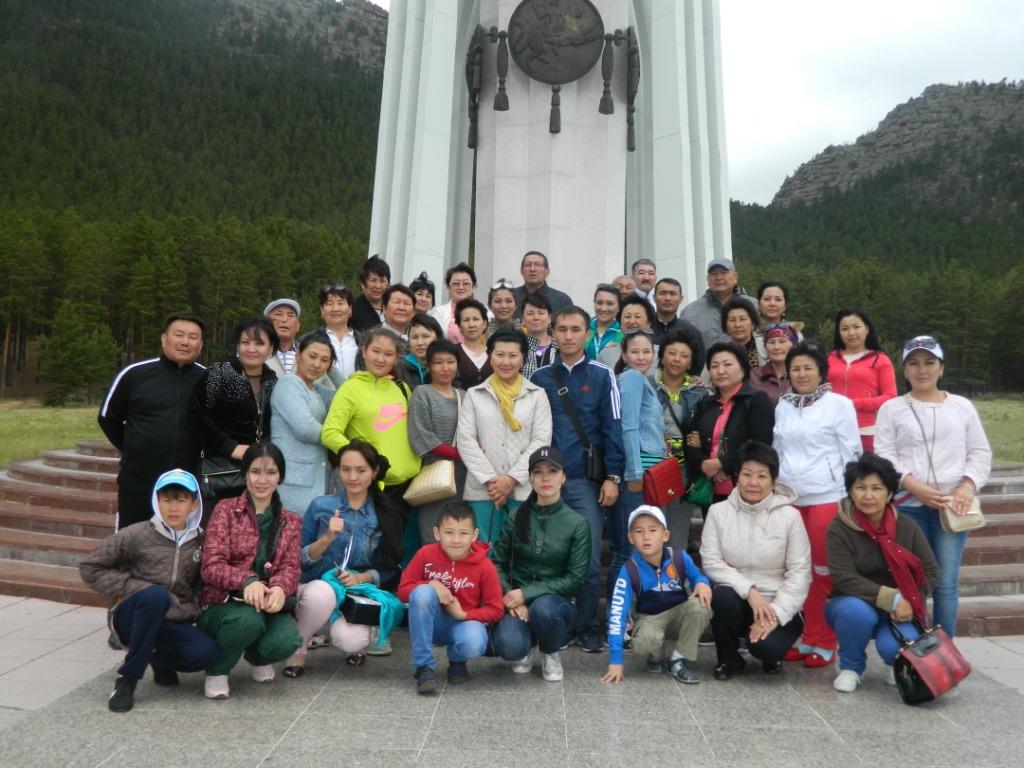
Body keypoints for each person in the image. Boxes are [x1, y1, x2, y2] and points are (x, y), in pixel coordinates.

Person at [874, 335, 992, 636]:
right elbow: (884, 454)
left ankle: (944, 650)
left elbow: (979, 451)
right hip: (908, 506)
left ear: (941, 368)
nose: (921, 370)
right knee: (911, 580)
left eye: (929, 362)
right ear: (904, 370)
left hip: (953, 506)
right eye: (913, 363)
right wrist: (913, 485)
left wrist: (967, 486)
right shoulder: (892, 408)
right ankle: (912, 648)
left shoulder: (962, 406)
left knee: (946, 583)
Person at [79, 469, 220, 712]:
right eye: (167, 500)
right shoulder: (136, 534)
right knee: (155, 595)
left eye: (181, 500)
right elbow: (90, 568)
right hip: (130, 617)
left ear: (194, 503)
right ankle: (127, 679)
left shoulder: (201, 541)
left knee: (206, 653)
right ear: (157, 500)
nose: (173, 508)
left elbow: (201, 585)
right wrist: (139, 588)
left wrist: (188, 609)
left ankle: (156, 658)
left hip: (170, 619)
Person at [531, 306, 624, 652]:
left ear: (587, 334)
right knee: (545, 557)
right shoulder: (540, 377)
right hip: (546, 481)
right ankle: (553, 622)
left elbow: (613, 427)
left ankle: (586, 625)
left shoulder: (602, 375)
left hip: (586, 480)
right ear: (553, 333)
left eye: (575, 329)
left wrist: (612, 476)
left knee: (587, 558)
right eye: (562, 329)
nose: (568, 336)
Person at [284, 440, 405, 675]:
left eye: (361, 470)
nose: (352, 477)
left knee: (352, 640)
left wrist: (360, 578)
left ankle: (354, 642)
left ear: (374, 472)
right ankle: (299, 648)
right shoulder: (321, 505)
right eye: (346, 469)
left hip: (354, 592)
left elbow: (389, 568)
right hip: (315, 586)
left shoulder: (385, 514)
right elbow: (297, 557)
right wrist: (327, 538)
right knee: (321, 592)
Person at [773, 341, 861, 668]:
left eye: (808, 367)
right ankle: (807, 637)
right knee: (798, 572)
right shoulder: (783, 405)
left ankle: (826, 641)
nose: (801, 374)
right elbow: (778, 448)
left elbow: (852, 451)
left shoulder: (839, 405)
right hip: (791, 498)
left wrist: (851, 496)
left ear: (821, 371)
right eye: (795, 368)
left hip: (827, 496)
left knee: (823, 572)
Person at [826, 453, 939, 692]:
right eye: (860, 488)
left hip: (901, 608)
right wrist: (893, 598)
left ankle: (895, 665)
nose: (868, 495)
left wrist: (909, 601)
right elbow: (844, 577)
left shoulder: (906, 526)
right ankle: (851, 667)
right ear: (850, 492)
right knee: (854, 612)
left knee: (893, 648)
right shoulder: (839, 528)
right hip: (853, 602)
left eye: (876, 488)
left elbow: (930, 571)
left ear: (889, 494)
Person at [198, 443, 303, 699]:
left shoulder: (291, 521)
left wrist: (280, 588)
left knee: (288, 640)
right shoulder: (225, 510)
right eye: (256, 471)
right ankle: (218, 670)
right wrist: (247, 580)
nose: (262, 480)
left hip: (265, 606)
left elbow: (290, 566)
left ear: (280, 477)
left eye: (271, 472)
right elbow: (211, 565)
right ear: (245, 474)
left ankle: (257, 657)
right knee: (247, 621)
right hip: (224, 605)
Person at [700, 441, 811, 680]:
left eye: (762, 476)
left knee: (765, 648)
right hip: (739, 599)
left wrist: (776, 614)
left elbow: (800, 573)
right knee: (722, 595)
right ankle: (728, 659)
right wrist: (750, 591)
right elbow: (711, 561)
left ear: (773, 480)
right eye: (747, 474)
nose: (753, 482)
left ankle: (772, 655)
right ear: (736, 476)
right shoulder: (718, 512)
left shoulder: (790, 517)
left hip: (777, 601)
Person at [99, 312, 206, 530]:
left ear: (201, 344)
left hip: (187, 481)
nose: (185, 342)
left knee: (182, 542)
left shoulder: (209, 380)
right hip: (139, 479)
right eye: (179, 335)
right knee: (132, 539)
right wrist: (133, 448)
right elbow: (108, 418)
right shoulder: (135, 375)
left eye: (193, 337)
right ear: (164, 338)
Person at [491, 447, 591, 681]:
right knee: (510, 646)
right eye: (538, 472)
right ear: (530, 479)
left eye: (553, 471)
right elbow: (496, 562)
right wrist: (509, 595)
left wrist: (526, 593)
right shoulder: (516, 516)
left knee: (543, 610)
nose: (546, 478)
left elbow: (575, 579)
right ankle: (526, 645)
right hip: (516, 597)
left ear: (563, 477)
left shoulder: (577, 523)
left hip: (554, 604)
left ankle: (549, 649)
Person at [321, 327, 421, 534]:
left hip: (408, 486)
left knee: (398, 547)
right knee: (375, 546)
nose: (381, 359)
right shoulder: (350, 388)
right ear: (364, 352)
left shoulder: (401, 388)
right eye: (376, 351)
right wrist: (363, 460)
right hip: (374, 485)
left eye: (388, 354)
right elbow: (330, 433)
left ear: (396, 358)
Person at [398, 502, 504, 692]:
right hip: (433, 624)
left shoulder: (484, 566)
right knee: (422, 592)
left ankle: (457, 660)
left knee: (474, 640)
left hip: (463, 623)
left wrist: (464, 615)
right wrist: (431, 584)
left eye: (463, 533)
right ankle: (423, 667)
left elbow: (496, 609)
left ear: (475, 535)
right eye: (449, 532)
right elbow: (403, 591)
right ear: (437, 533)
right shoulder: (425, 554)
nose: (456, 540)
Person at [458, 330, 552, 542]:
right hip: (483, 489)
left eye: (513, 355)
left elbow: (541, 441)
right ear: (490, 357)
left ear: (523, 358)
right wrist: (492, 481)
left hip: (523, 487)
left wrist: (511, 480)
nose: (506, 362)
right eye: (499, 355)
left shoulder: (537, 395)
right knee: (484, 548)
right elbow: (465, 440)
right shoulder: (474, 394)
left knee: (521, 547)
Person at [603, 505, 713, 684]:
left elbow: (697, 576)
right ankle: (656, 656)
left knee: (700, 606)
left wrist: (702, 583)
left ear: (665, 535)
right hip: (650, 618)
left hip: (679, 615)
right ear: (631, 538)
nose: (646, 537)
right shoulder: (629, 569)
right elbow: (617, 613)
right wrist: (616, 660)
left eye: (653, 530)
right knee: (645, 642)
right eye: (639, 531)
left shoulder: (679, 557)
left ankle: (679, 659)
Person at [189, 317, 279, 509]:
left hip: (257, 475)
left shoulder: (272, 381)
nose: (251, 349)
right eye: (245, 342)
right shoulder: (220, 373)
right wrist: (230, 447)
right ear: (237, 345)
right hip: (219, 473)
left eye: (259, 343)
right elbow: (196, 417)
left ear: (270, 348)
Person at [610, 330, 668, 601]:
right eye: (635, 351)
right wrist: (634, 473)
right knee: (628, 549)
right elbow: (629, 427)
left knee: (636, 547)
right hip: (637, 475)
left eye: (647, 351)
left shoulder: (644, 381)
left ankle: (629, 610)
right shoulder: (632, 378)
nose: (642, 357)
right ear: (624, 355)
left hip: (647, 474)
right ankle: (618, 614)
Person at [684, 342, 775, 506]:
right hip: (710, 490)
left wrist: (722, 464)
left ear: (743, 368)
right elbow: (691, 442)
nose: (720, 371)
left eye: (727, 364)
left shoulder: (757, 400)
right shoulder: (706, 404)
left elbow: (760, 444)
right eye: (714, 366)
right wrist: (704, 464)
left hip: (746, 488)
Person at [652, 327, 709, 550]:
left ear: (691, 362)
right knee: (651, 528)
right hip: (652, 467)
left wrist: (700, 441)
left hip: (682, 468)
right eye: (672, 353)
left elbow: (705, 428)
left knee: (677, 531)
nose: (677, 359)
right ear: (662, 355)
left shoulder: (699, 392)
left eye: (684, 355)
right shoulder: (647, 385)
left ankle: (675, 571)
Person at [269, 331, 337, 515]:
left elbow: (346, 395)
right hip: (293, 482)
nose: (317, 364)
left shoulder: (317, 390)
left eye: (324, 360)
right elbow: (306, 429)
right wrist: (340, 442)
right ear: (298, 355)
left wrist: (332, 370)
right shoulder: (289, 383)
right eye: (312, 356)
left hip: (314, 480)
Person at [408, 339, 467, 544]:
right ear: (429, 366)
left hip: (463, 477)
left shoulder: (465, 396)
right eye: (438, 362)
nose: (445, 368)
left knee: (459, 534)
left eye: (450, 362)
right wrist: (458, 454)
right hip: (435, 476)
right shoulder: (422, 393)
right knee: (433, 533)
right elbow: (421, 436)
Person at [827, 308, 897, 452]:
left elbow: (890, 397)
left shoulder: (880, 359)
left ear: (867, 329)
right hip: (832, 429)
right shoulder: (829, 359)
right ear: (839, 333)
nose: (851, 333)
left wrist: (855, 403)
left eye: (856, 327)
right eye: (845, 328)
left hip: (867, 430)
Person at [680, 258, 755, 349]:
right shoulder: (690, 312)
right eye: (713, 274)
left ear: (735, 277)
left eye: (724, 273)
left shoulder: (756, 306)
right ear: (707, 279)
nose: (719, 278)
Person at [651, 278, 705, 365]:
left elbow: (698, 364)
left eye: (673, 294)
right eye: (663, 293)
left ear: (681, 299)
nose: (667, 298)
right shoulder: (644, 328)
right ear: (654, 298)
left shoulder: (691, 332)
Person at [430, 262, 480, 343]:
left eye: (466, 283)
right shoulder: (438, 312)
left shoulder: (486, 312)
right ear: (448, 287)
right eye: (456, 283)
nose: (461, 287)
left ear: (473, 287)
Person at [513, 250, 573, 316]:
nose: (532, 269)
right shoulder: (512, 297)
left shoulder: (562, 300)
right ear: (521, 271)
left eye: (537, 265)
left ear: (547, 271)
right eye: (528, 265)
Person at [750, 322, 798, 404]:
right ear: (765, 347)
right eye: (771, 342)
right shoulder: (755, 377)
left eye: (782, 341)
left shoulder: (802, 374)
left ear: (794, 345)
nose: (776, 347)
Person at [319, 283, 359, 381]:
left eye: (340, 303)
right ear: (322, 310)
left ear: (350, 309)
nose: (335, 309)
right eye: (330, 304)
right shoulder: (311, 340)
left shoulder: (364, 341)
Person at [453, 298, 493, 389]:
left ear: (484, 324)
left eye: (476, 319)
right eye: (466, 320)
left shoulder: (494, 353)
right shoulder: (452, 352)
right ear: (459, 326)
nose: (471, 325)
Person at [400, 313, 444, 387]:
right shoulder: (400, 368)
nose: (419, 343)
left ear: (438, 338)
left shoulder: (448, 364)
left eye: (425, 336)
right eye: (414, 337)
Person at [721, 296, 766, 369]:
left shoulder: (766, 347)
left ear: (753, 324)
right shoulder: (719, 352)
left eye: (742, 319)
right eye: (732, 320)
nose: (737, 325)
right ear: (726, 326)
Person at [351, 255, 391, 333]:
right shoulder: (352, 310)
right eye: (373, 280)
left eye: (382, 281)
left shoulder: (393, 308)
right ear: (363, 284)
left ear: (388, 284)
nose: (378, 286)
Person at [521, 292, 556, 379]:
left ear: (549, 318)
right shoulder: (518, 346)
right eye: (530, 313)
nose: (536, 317)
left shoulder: (560, 347)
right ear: (523, 319)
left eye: (541, 313)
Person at [584, 283, 623, 361]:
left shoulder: (623, 334)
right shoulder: (583, 329)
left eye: (610, 304)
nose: (603, 308)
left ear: (618, 307)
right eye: (599, 303)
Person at [263, 299, 302, 377]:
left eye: (290, 315)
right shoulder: (255, 352)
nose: (284, 320)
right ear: (267, 323)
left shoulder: (308, 354)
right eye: (279, 314)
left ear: (298, 325)